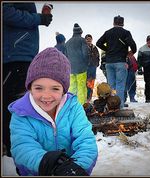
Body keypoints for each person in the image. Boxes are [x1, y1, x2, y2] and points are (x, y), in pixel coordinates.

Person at [8, 47, 98, 176]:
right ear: (30, 88)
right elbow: (22, 147)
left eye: (55, 89)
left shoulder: (73, 107)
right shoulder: (21, 113)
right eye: (39, 88)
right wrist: (50, 164)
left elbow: (85, 140)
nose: (46, 96)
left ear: (64, 90)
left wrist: (77, 168)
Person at [3, 2, 53, 157]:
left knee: (19, 106)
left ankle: (18, 151)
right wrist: (38, 18)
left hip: (22, 57)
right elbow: (4, 11)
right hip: (14, 57)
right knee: (15, 108)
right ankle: (15, 154)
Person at [96, 15, 137, 108]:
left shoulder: (108, 32)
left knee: (111, 86)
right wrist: (130, 52)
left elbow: (98, 43)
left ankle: (111, 106)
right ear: (123, 23)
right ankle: (119, 106)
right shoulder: (126, 33)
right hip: (120, 62)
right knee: (120, 86)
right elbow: (134, 46)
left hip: (109, 63)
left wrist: (108, 49)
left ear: (113, 23)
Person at [65, 23, 89, 105]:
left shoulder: (67, 42)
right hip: (81, 69)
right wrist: (86, 64)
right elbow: (86, 53)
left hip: (71, 69)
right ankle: (81, 106)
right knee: (81, 87)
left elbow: (65, 56)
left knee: (72, 88)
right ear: (80, 32)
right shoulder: (82, 40)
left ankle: (72, 105)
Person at [137, 35, 150, 103]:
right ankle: (148, 99)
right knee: (148, 84)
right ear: (146, 41)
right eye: (148, 41)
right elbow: (139, 60)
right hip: (147, 69)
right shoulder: (142, 49)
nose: (149, 42)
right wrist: (139, 68)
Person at [85, 34, 100, 102]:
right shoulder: (83, 47)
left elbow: (98, 57)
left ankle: (89, 98)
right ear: (85, 40)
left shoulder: (94, 47)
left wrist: (97, 64)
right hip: (86, 68)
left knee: (91, 84)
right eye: (87, 39)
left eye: (90, 39)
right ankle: (85, 98)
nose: (89, 41)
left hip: (93, 68)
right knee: (85, 84)